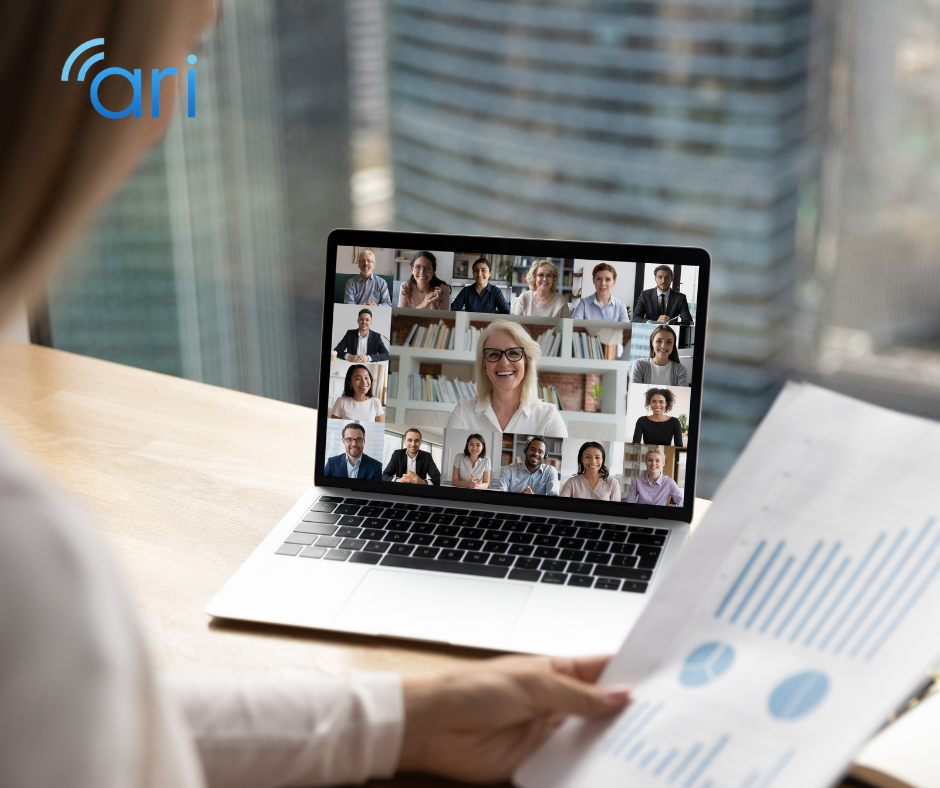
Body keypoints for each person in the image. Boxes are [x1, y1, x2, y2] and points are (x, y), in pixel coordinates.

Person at [0, 3, 631, 785]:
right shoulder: (26, 555)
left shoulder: (551, 421)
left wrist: (409, 720)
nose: (163, 114)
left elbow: (86, 731)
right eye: (169, 64)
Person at [446, 320, 568, 437]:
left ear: (526, 363)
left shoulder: (549, 418)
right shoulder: (463, 413)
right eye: (494, 354)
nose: (504, 362)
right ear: (484, 366)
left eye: (513, 353)